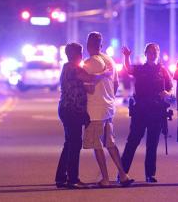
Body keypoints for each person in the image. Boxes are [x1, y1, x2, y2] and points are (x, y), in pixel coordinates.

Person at [82, 32, 134, 187]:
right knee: (110, 143)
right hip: (109, 108)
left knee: (97, 145)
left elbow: (87, 86)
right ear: (101, 45)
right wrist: (108, 95)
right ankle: (123, 175)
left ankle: (105, 179)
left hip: (95, 110)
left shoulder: (89, 63)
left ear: (88, 45)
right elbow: (116, 84)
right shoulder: (110, 60)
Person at [55, 42, 108, 189]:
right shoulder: (74, 68)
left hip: (66, 109)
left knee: (69, 143)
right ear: (77, 54)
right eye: (80, 53)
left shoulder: (67, 67)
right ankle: (73, 179)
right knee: (75, 144)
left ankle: (61, 177)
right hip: (72, 111)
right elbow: (90, 78)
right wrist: (105, 73)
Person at [121, 43, 173, 183]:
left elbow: (171, 88)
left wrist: (167, 93)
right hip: (141, 110)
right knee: (133, 141)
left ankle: (150, 174)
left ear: (158, 53)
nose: (153, 53)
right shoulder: (140, 69)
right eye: (150, 51)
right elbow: (129, 69)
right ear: (145, 54)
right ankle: (122, 173)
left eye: (155, 51)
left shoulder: (163, 70)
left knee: (152, 143)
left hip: (156, 111)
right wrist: (126, 56)